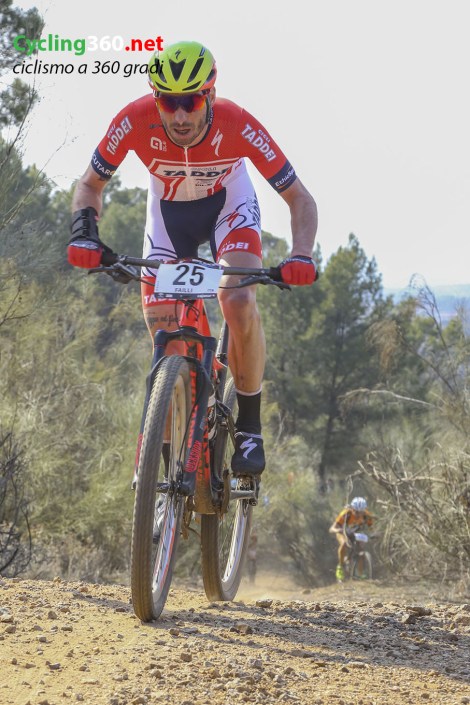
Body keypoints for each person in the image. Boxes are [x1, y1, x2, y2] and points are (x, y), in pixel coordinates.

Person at [68, 40, 318, 477]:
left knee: (236, 299)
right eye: (169, 102)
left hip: (228, 208)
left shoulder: (238, 123)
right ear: (155, 99)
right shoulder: (133, 119)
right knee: (163, 326)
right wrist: (85, 235)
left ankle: (249, 426)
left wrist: (301, 253)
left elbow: (299, 198)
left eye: (191, 101)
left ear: (211, 95)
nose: (180, 115)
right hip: (168, 216)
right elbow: (89, 185)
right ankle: (165, 470)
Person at [329, 496, 373, 581]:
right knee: (344, 544)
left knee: (361, 549)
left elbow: (371, 527)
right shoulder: (346, 514)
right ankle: (340, 566)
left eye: (361, 512)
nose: (358, 514)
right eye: (356, 512)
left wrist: (373, 534)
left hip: (355, 532)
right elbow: (332, 528)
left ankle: (360, 573)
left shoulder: (366, 515)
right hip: (342, 532)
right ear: (352, 509)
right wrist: (338, 530)